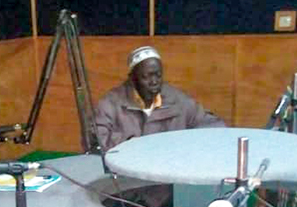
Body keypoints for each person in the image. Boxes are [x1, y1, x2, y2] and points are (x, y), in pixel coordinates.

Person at [94, 45, 225, 154]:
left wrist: (187, 145)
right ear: (132, 78)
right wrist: (131, 145)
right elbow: (96, 144)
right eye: (146, 76)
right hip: (123, 179)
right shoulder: (110, 104)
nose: (154, 82)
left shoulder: (177, 100)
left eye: (158, 75)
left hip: (163, 177)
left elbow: (214, 126)